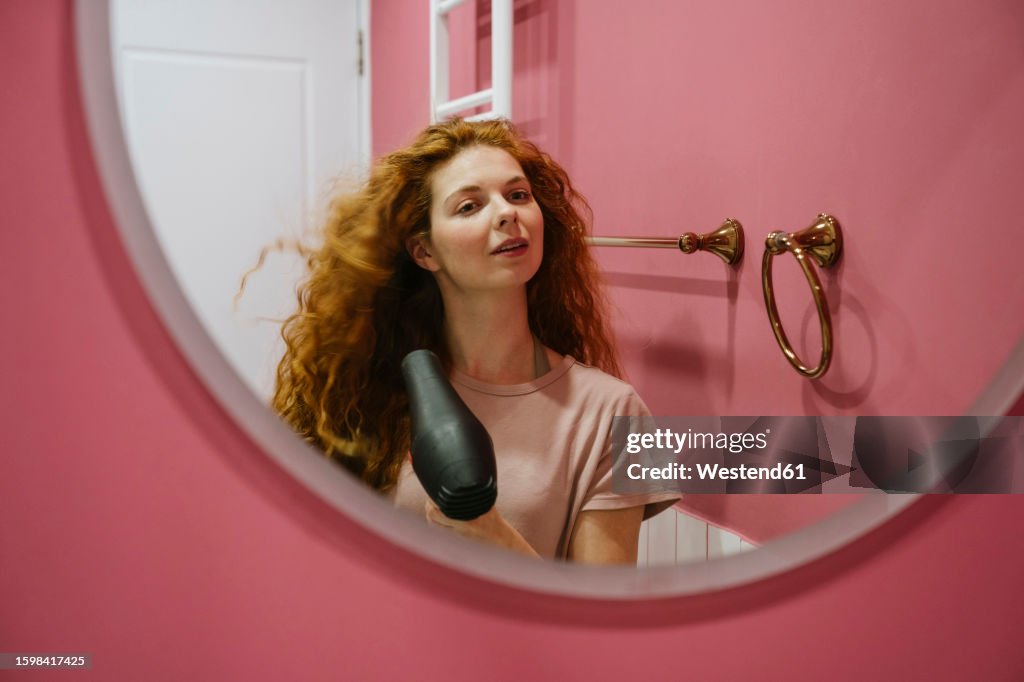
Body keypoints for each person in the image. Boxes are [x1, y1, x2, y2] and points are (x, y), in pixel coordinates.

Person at [268, 117, 679, 563]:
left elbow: (602, 624)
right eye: (469, 206)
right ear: (424, 252)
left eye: (518, 195)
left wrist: (493, 536)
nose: (508, 213)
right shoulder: (365, 392)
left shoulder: (614, 413)